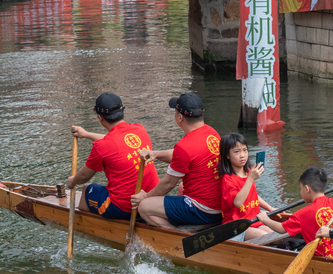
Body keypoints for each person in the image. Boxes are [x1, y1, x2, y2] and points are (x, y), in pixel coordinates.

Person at [130, 94, 222, 228]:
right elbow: (187, 156)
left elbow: (168, 184)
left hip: (204, 210)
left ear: (180, 117)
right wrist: (156, 154)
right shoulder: (212, 133)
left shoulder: (184, 147)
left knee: (144, 207)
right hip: (219, 206)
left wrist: (146, 196)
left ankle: (177, 238)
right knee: (181, 188)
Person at [65, 94, 161, 221]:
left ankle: (89, 225)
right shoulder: (140, 129)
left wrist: (72, 182)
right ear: (122, 111)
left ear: (100, 117)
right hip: (151, 200)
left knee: (86, 189)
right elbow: (115, 141)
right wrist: (86, 134)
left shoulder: (101, 146)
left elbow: (83, 176)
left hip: (124, 208)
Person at [256, 167, 333, 261]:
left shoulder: (302, 214)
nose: (301, 192)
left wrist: (265, 219)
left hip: (327, 263)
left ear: (307, 189)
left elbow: (281, 229)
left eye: (301, 189)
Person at [217, 132, 274, 241]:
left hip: (254, 220)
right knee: (265, 236)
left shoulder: (248, 172)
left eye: (245, 150)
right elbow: (238, 203)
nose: (242, 155)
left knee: (276, 235)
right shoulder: (228, 179)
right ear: (227, 155)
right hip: (237, 226)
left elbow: (253, 195)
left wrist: (270, 208)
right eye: (237, 152)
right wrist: (251, 179)